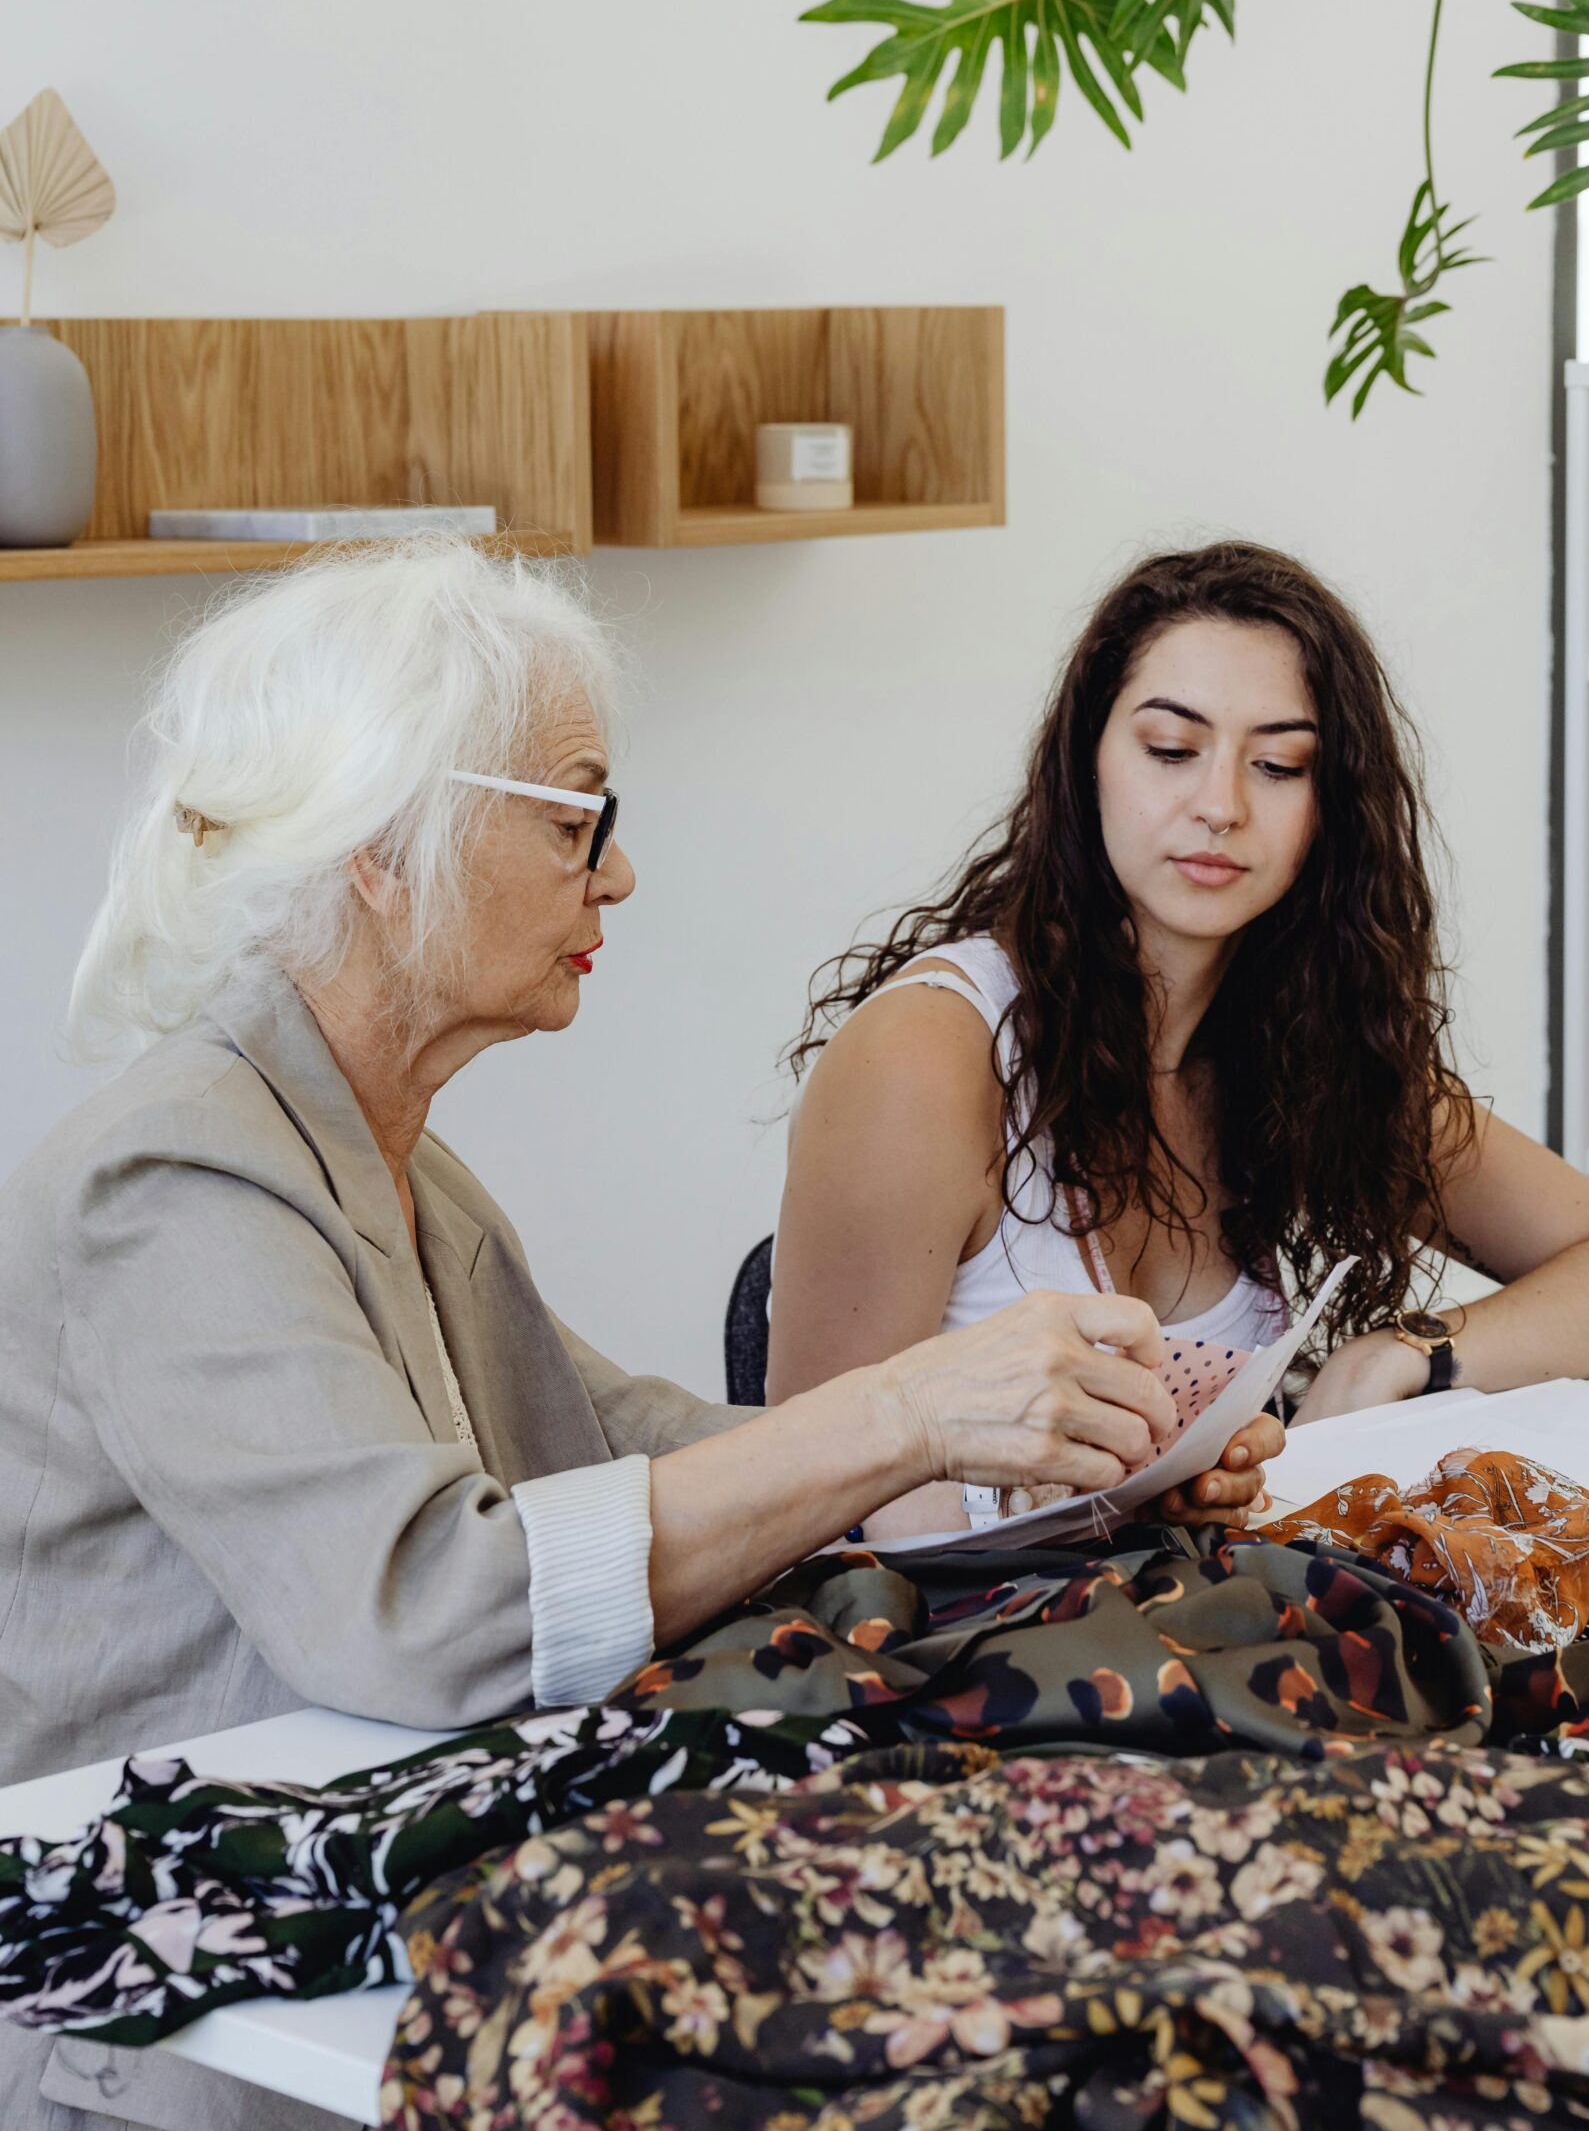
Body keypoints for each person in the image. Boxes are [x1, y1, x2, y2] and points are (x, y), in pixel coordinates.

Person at [0, 538, 1274, 2131]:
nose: (614, 875)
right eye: (574, 818)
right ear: (387, 846)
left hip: (346, 1933)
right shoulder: (177, 1178)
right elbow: (426, 1605)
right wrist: (904, 1417)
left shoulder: (379, 1153)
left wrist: (1047, 1475)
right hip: (177, 2027)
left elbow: (622, 1447)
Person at [769, 539, 1589, 1543]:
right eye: (1171, 749)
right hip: (952, 1668)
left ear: (1327, 810)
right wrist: (1040, 1502)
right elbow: (805, 1501)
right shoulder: (928, 1057)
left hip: (1193, 1644)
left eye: (1277, 764)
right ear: (1087, 761)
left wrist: (1403, 1351)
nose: (1219, 805)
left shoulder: (1303, 1041)